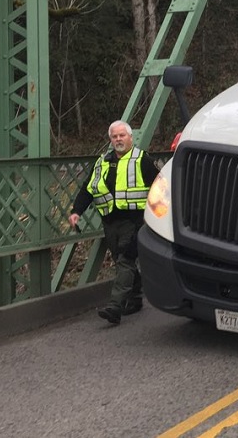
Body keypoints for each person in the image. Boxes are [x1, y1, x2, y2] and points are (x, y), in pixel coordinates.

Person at [70, 120, 159, 325]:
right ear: (110, 140)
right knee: (122, 260)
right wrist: (77, 211)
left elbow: (161, 188)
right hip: (110, 222)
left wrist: (155, 218)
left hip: (135, 221)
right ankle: (135, 299)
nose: (118, 139)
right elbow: (88, 189)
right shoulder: (102, 162)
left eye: (122, 135)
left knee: (125, 260)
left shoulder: (142, 160)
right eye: (114, 136)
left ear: (130, 137)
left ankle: (115, 306)